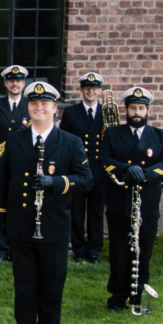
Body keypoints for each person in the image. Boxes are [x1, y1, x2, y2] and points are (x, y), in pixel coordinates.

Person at [0, 81, 91, 324]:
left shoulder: (70, 142)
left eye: (45, 104)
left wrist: (57, 183)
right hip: (21, 223)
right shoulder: (14, 140)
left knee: (52, 282)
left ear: (55, 109)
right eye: (34, 104)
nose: (39, 108)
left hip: (53, 223)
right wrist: (2, 219)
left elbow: (86, 180)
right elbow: (4, 181)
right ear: (28, 108)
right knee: (25, 282)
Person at [98, 87, 163, 314]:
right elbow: (104, 159)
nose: (137, 112)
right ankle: (118, 296)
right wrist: (126, 168)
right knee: (119, 251)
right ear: (126, 110)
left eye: (141, 108)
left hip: (147, 203)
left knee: (144, 250)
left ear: (147, 110)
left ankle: (139, 296)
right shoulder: (112, 133)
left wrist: (146, 174)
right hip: (120, 201)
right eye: (132, 108)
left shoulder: (161, 135)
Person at [56, 71, 109, 264]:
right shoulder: (71, 112)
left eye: (94, 88)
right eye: (87, 88)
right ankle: (78, 248)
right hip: (77, 170)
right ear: (81, 90)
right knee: (77, 210)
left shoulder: (107, 113)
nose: (91, 91)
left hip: (99, 170)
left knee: (96, 211)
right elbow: (64, 141)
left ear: (100, 91)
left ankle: (94, 249)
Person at [0, 65, 32, 264]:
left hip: (24, 162)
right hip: (0, 163)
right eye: (11, 80)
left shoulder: (31, 105)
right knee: (1, 204)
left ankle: (18, 248)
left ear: (24, 83)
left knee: (20, 205)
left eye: (19, 80)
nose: (15, 84)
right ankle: (2, 250)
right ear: (5, 83)